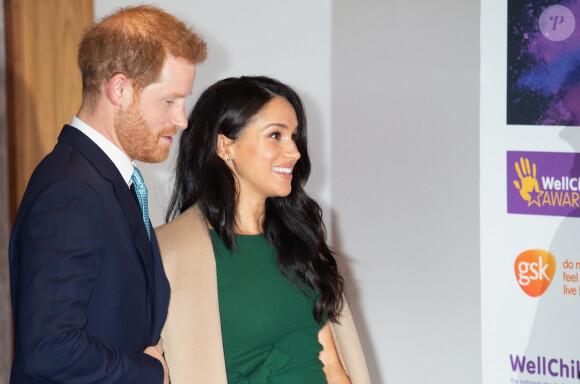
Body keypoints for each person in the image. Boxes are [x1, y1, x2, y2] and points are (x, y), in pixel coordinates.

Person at [8, 5, 206, 384]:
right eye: (170, 101)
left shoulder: (104, 179)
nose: (182, 120)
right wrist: (152, 372)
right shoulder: (71, 191)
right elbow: (50, 349)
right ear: (120, 89)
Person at [156, 76, 370, 383]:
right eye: (276, 135)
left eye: (294, 136)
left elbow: (333, 367)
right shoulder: (173, 253)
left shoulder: (298, 241)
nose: (294, 152)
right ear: (225, 145)